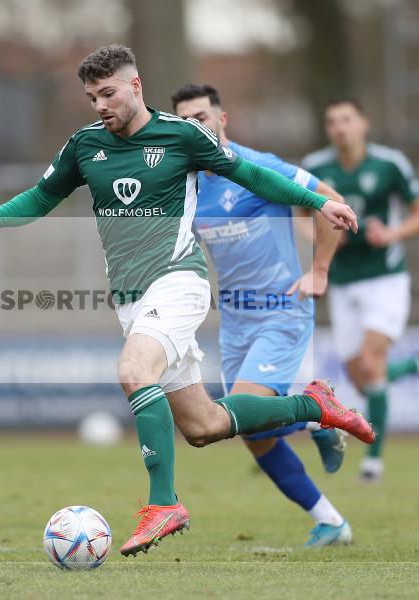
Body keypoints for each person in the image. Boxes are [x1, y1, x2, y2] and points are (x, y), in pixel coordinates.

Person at [0, 45, 372, 557]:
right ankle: (314, 405)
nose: (100, 105)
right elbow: (41, 199)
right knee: (203, 426)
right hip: (131, 298)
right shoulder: (85, 146)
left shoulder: (182, 136)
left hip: (178, 281)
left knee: (135, 372)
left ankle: (163, 504)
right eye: (92, 97)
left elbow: (250, 174)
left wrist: (319, 202)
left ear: (135, 85)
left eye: (108, 93)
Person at [172, 83, 353, 547]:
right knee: (253, 433)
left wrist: (318, 269)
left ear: (222, 119)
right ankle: (331, 520)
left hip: (281, 312)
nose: (196, 126)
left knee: (243, 414)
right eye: (185, 121)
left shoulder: (259, 167)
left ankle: (317, 413)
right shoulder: (189, 185)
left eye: (202, 117)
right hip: (235, 323)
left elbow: (331, 201)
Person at [301, 98, 419, 483]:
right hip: (344, 282)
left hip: (386, 277)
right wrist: (319, 240)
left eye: (347, 119)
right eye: (332, 121)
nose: (340, 127)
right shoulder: (316, 167)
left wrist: (392, 234)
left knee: (370, 364)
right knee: (362, 377)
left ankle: (373, 463)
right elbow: (296, 215)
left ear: (363, 123)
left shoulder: (389, 164)